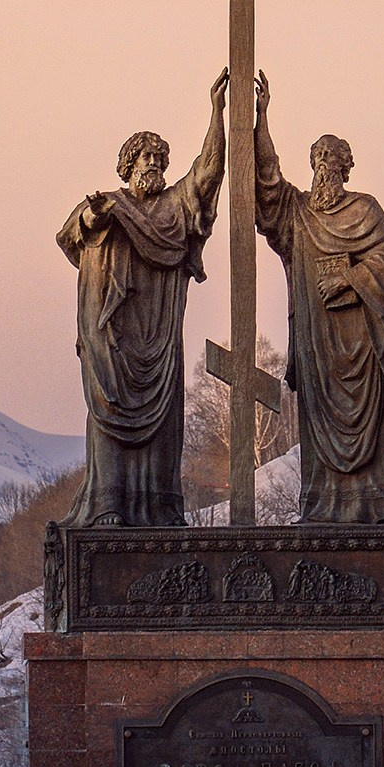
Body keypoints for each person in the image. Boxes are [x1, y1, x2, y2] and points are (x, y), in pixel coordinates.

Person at [57, 68, 227, 526]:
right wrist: (91, 220)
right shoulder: (107, 204)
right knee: (109, 414)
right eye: (144, 157)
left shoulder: (174, 208)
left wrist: (217, 113)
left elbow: (208, 174)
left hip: (160, 335)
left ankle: (158, 508)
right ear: (128, 166)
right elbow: (71, 234)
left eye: (158, 158)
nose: (152, 164)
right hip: (114, 340)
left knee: (164, 428)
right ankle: (109, 504)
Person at [253, 69, 384, 523]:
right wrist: (261, 118)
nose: (324, 166)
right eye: (318, 158)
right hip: (319, 348)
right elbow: (266, 186)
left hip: (364, 347)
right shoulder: (298, 214)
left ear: (345, 167)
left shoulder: (364, 209)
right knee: (320, 436)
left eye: (332, 158)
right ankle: (323, 508)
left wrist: (351, 277)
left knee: (376, 425)